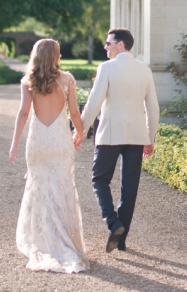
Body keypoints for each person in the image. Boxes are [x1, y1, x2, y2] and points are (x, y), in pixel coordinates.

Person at [10, 38, 89, 273]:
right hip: (59, 140)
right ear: (54, 56)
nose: (61, 56)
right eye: (59, 53)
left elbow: (23, 113)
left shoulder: (28, 81)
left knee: (39, 188)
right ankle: (63, 241)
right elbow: (74, 112)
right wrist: (81, 133)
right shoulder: (67, 80)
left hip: (38, 141)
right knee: (62, 188)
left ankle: (42, 241)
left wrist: (14, 143)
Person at [77, 28, 159, 253]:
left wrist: (80, 130)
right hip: (136, 135)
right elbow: (153, 108)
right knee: (129, 188)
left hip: (110, 135)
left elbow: (94, 102)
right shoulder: (144, 70)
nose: (105, 47)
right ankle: (121, 240)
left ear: (120, 44)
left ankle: (113, 224)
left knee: (99, 179)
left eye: (108, 43)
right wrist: (150, 138)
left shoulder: (106, 68)